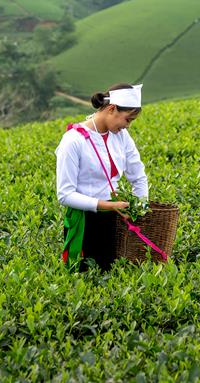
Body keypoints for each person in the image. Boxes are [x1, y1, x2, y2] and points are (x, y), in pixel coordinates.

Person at [56, 83, 148, 271]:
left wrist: (141, 207)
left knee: (110, 277)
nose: (127, 126)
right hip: (84, 222)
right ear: (111, 109)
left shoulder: (121, 136)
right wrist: (109, 205)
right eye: (127, 119)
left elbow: (137, 175)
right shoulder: (73, 141)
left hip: (114, 218)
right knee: (84, 279)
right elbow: (65, 195)